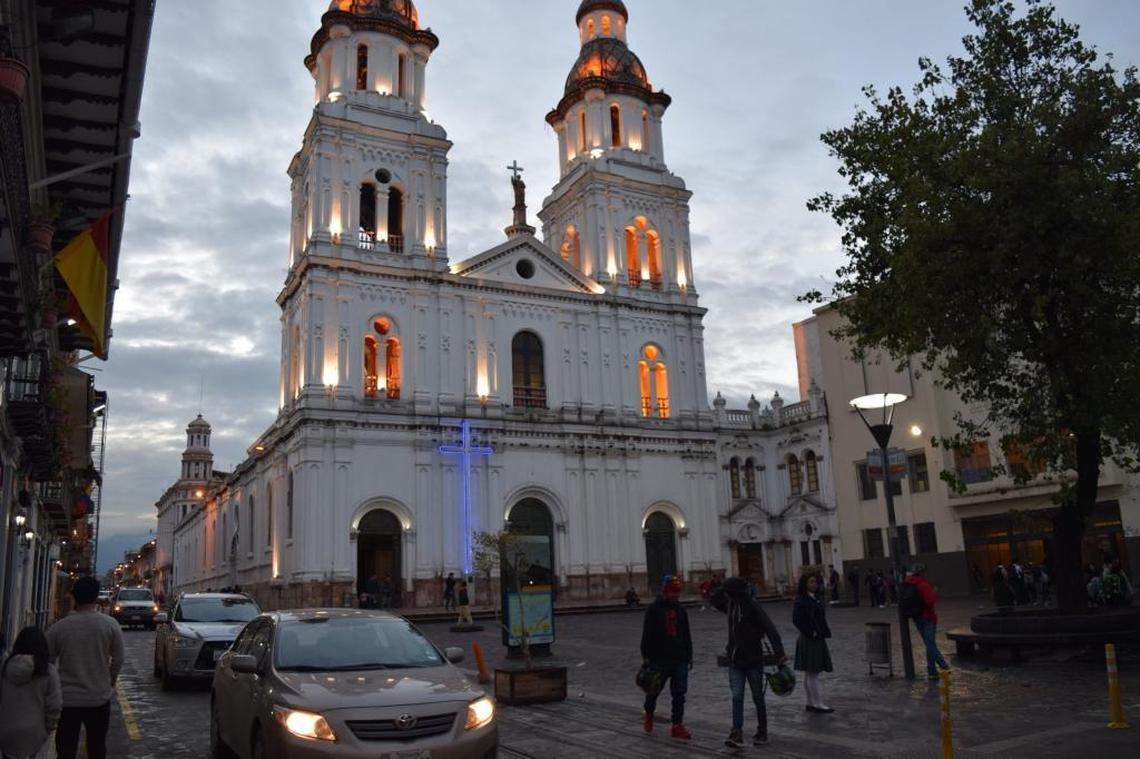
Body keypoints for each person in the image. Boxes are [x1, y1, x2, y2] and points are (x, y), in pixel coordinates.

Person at [46, 577, 124, 759]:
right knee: (97, 748)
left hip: (68, 700)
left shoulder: (59, 627)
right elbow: (119, 658)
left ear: (74, 597)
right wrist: (110, 680)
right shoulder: (110, 625)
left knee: (66, 750)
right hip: (98, 697)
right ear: (96, 597)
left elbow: (47, 662)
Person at [712, 576, 786, 748]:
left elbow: (770, 628)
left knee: (757, 697)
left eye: (729, 593)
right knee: (737, 696)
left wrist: (779, 652)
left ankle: (762, 730)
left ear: (735, 594)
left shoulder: (752, 606)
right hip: (735, 660)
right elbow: (715, 600)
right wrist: (723, 588)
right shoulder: (730, 606)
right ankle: (736, 732)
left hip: (753, 659)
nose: (727, 597)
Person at [639, 575, 693, 741]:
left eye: (677, 593)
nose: (676, 596)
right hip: (659, 659)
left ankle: (677, 725)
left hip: (679, 658)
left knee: (679, 693)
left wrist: (689, 655)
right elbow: (646, 635)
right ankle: (649, 713)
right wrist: (646, 658)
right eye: (672, 593)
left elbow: (686, 634)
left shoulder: (681, 609)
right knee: (653, 691)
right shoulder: (653, 609)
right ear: (664, 592)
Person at [0, 626, 62, 759]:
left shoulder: (5, 667)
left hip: (6, 732)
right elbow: (55, 706)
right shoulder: (48, 671)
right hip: (34, 733)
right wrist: (47, 729)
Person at [792, 573, 834, 714]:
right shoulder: (801, 600)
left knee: (810, 674)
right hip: (810, 639)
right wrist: (811, 632)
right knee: (813, 673)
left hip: (815, 637)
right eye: (811, 582)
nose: (814, 584)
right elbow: (796, 620)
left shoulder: (814, 598)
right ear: (805, 584)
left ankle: (811, 702)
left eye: (815, 581)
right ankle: (817, 703)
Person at [902, 564, 950, 680]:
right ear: (922, 572)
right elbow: (930, 601)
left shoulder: (908, 583)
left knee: (929, 643)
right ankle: (942, 665)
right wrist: (935, 592)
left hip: (916, 616)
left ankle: (932, 671)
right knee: (930, 644)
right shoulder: (922, 584)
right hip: (927, 616)